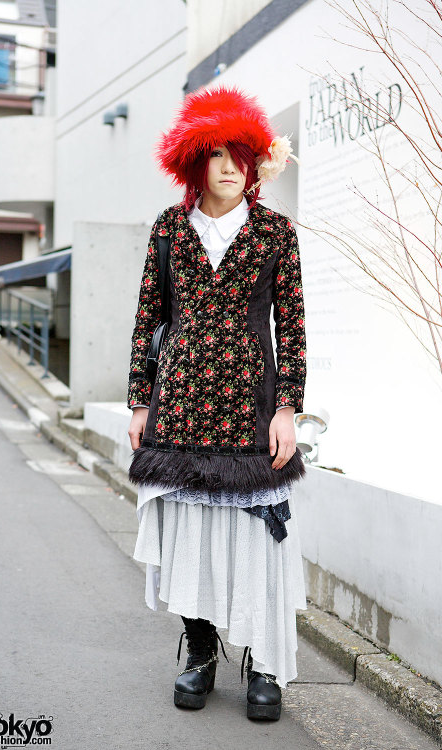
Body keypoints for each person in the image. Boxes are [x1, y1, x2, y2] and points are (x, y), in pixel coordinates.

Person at [126, 84, 307, 722]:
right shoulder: (169, 230)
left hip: (250, 408)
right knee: (191, 535)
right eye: (218, 154)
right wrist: (139, 401)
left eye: (243, 155)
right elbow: (151, 316)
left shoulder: (276, 233)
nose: (231, 167)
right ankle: (200, 651)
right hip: (178, 407)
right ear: (194, 161)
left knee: (257, 539)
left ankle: (261, 659)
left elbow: (293, 326)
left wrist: (288, 408)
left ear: (256, 163)